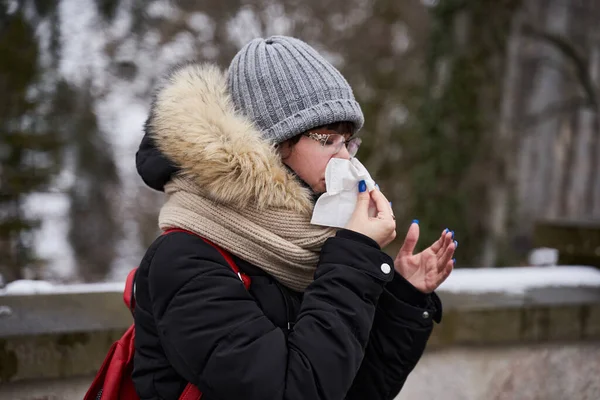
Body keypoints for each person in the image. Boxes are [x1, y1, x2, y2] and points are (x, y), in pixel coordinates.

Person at [133, 36, 456, 400]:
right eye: (327, 139)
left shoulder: (305, 243)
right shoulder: (185, 261)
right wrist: (354, 259)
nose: (346, 160)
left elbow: (353, 389)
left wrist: (402, 297)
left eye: (348, 142)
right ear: (270, 145)